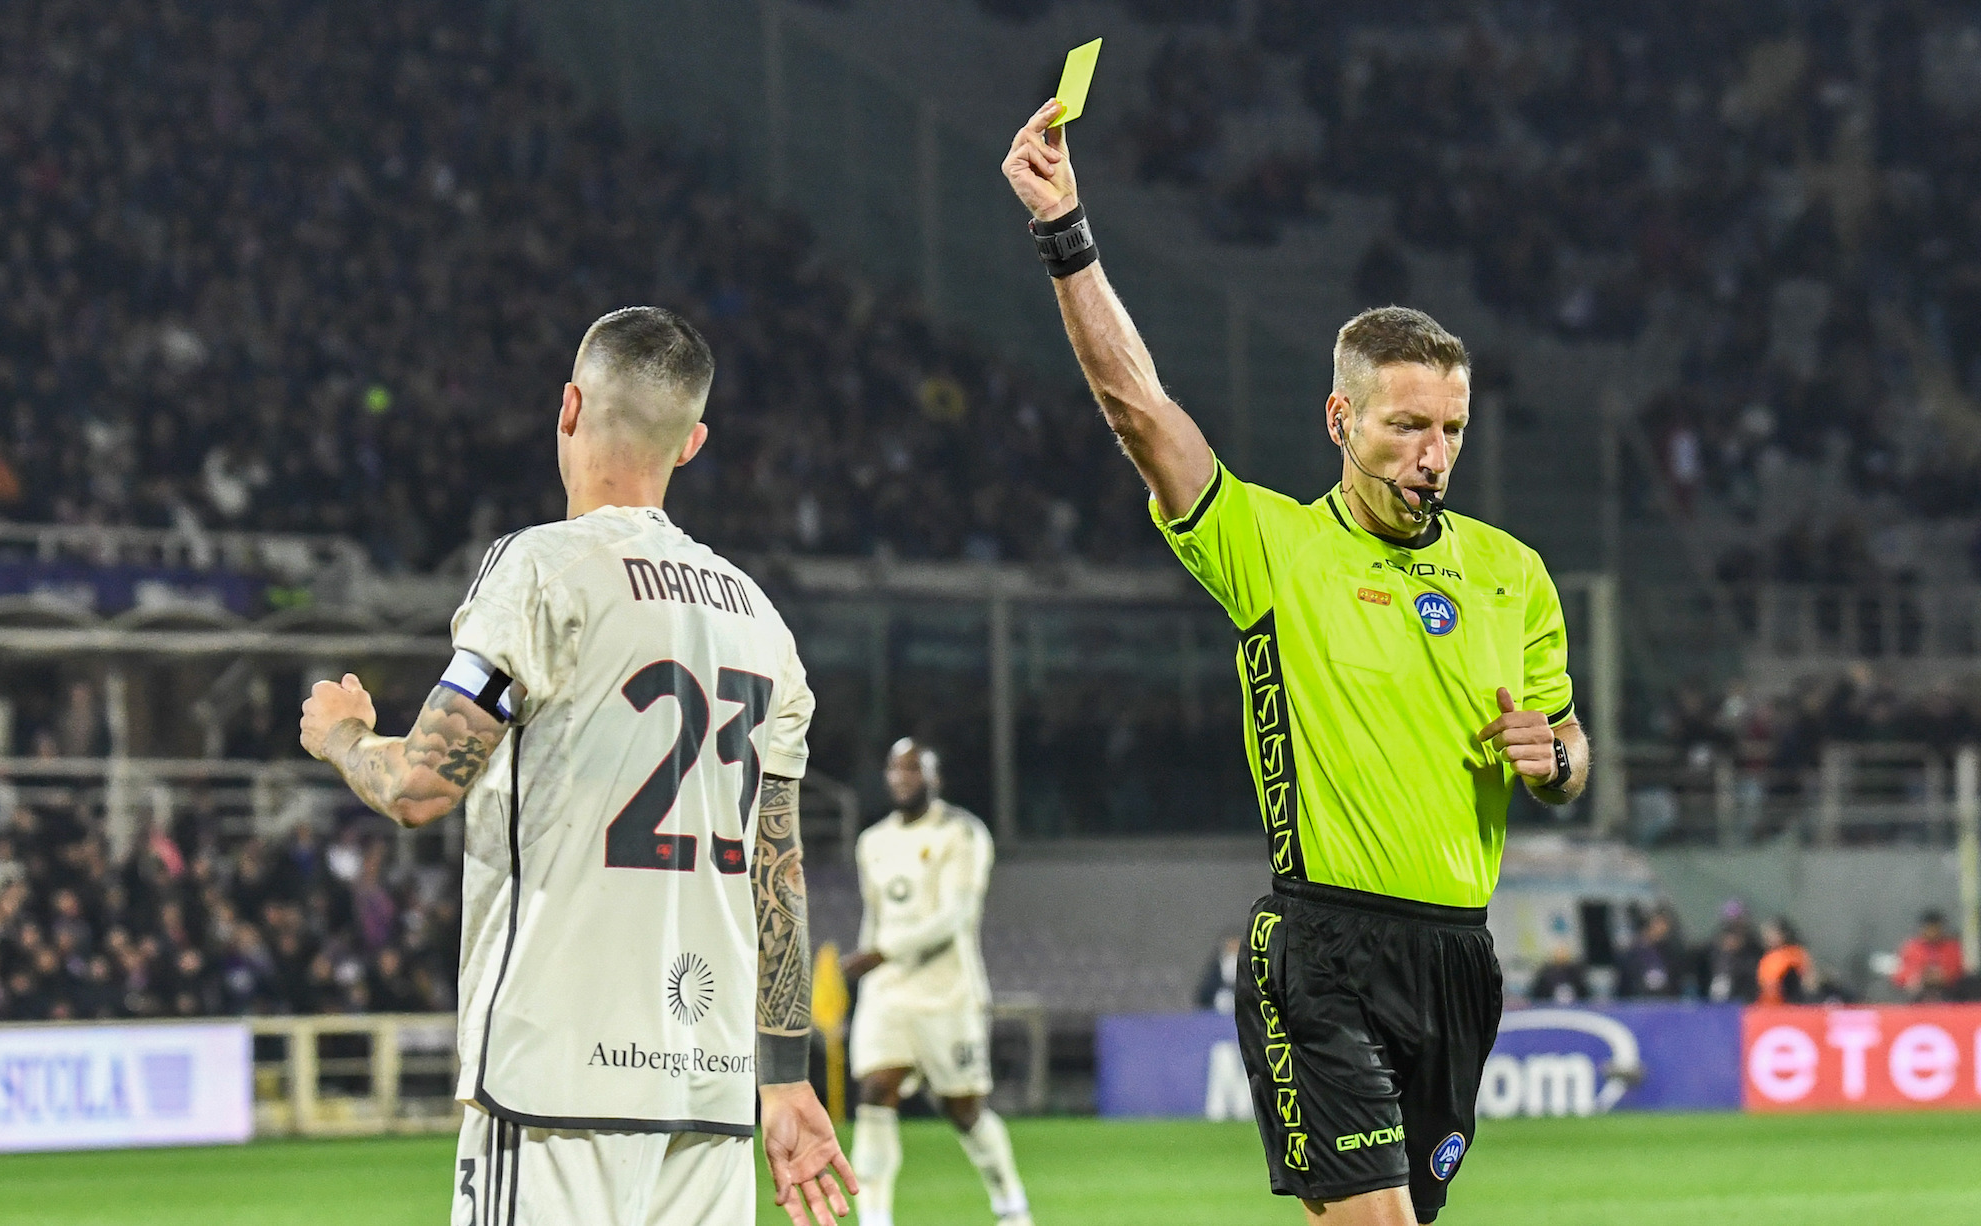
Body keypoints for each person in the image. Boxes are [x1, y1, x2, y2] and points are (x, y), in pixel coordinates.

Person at [1003, 101, 1589, 1226]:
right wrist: (1065, 234)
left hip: (1457, 959)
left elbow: (1567, 754)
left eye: (1451, 429)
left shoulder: (1512, 573)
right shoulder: (1273, 546)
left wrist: (1551, 754)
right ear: (1338, 417)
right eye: (1405, 425)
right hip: (1320, 947)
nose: (1432, 454)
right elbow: (1139, 408)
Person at [299, 308, 856, 1226]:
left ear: (567, 407)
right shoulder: (764, 626)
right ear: (694, 443)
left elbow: (421, 786)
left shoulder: (541, 570)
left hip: (554, 1082)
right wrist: (786, 1082)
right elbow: (779, 872)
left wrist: (343, 737)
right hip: (709, 1101)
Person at [840, 740, 1032, 1226]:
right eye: (896, 769)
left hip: (947, 993)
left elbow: (955, 918)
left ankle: (1011, 1205)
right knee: (874, 1093)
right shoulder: (872, 842)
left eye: (914, 770)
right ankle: (875, 1217)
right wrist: (865, 977)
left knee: (963, 1110)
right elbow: (874, 919)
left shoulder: (961, 834)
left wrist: (880, 953)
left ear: (934, 778)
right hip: (887, 995)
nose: (903, 778)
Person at [1892, 909, 1965, 1002]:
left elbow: (1957, 971)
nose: (1932, 932)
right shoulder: (1911, 948)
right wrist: (1919, 976)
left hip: (1948, 992)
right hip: (1917, 991)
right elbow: (1901, 974)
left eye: (1935, 928)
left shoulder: (1952, 947)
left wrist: (1942, 976)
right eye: (1929, 929)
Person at [1755, 917, 1816, 1005]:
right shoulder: (1767, 957)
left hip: (1790, 1005)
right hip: (1767, 1005)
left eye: (1772, 933)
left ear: (1783, 934)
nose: (1768, 937)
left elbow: (1807, 981)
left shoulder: (1795, 954)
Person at [1196, 932, 1241, 1014]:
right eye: (1230, 945)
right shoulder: (1217, 966)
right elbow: (1206, 991)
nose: (1232, 947)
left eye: (1235, 945)